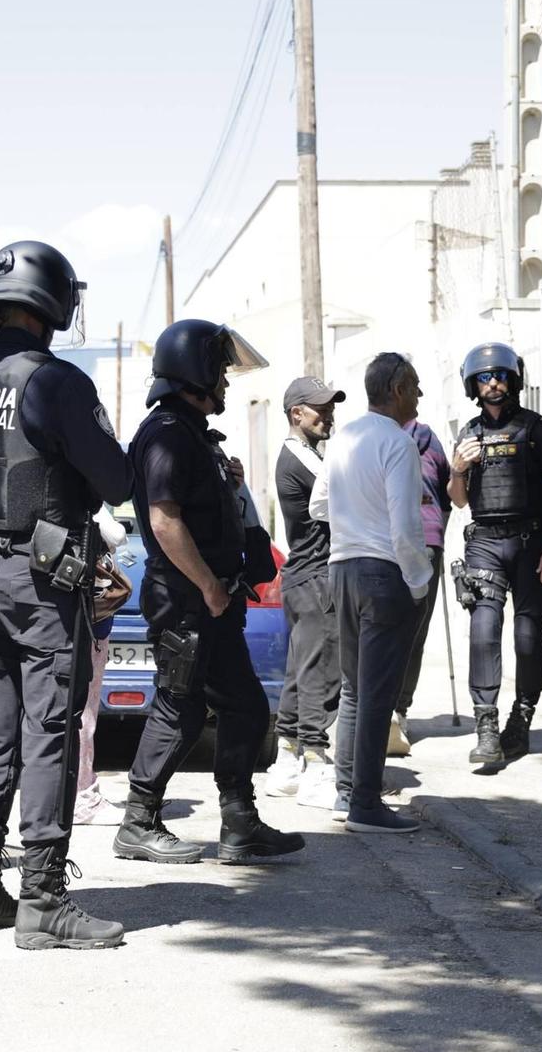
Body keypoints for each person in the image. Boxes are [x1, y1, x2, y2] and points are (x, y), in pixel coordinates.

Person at [0, 241, 133, 948]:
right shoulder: (56, 382)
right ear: (50, 303)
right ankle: (44, 898)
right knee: (48, 731)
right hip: (45, 583)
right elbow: (117, 481)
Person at [115, 319, 307, 865]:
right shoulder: (168, 434)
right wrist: (207, 585)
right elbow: (165, 520)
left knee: (245, 706)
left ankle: (240, 822)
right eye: (219, 371)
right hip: (188, 600)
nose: (225, 382)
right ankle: (138, 822)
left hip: (213, 600)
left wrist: (231, 485)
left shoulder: (193, 434)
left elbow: (200, 510)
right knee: (180, 707)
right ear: (193, 372)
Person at [321, 353, 431, 833]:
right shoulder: (399, 444)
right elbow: (406, 528)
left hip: (342, 567)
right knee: (376, 694)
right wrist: (418, 581)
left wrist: (355, 521)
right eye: (416, 386)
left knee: (353, 689)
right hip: (382, 571)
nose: (420, 396)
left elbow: (318, 503)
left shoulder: (344, 437)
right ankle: (365, 802)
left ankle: (347, 792)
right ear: (397, 388)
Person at [448, 342, 542, 770]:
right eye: (484, 377)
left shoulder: (538, 429)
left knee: (527, 636)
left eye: (499, 376)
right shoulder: (469, 434)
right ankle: (486, 727)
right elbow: (458, 501)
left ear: (514, 380)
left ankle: (521, 720)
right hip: (484, 541)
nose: (493, 383)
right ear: (473, 386)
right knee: (483, 631)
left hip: (533, 540)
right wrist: (458, 469)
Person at [264, 375, 345, 807]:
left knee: (300, 671)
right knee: (319, 673)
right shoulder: (303, 460)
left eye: (331, 407)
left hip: (303, 576)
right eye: (320, 409)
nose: (328, 415)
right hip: (316, 578)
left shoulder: (306, 454)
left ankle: (287, 762)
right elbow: (348, 495)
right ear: (297, 413)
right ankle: (315, 765)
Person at [390, 415, 453, 759]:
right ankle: (395, 708)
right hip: (422, 540)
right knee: (412, 632)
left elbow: (447, 493)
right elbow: (445, 498)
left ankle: (393, 710)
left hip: (402, 542)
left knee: (403, 630)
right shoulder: (429, 442)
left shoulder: (381, 437)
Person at [72, 506, 131, 827]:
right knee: (84, 710)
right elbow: (116, 534)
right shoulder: (81, 484)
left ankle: (59, 793)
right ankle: (83, 797)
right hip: (86, 612)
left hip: (48, 610)